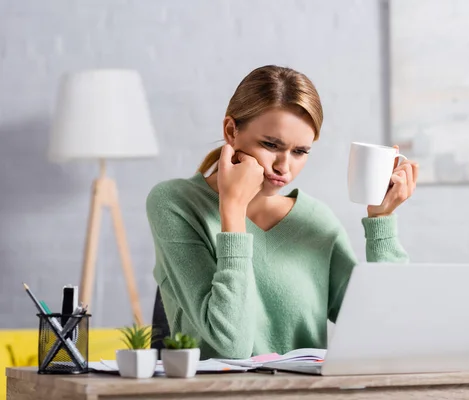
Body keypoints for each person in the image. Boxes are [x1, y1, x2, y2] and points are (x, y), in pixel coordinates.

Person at [146, 65, 419, 360]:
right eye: (271, 145)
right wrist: (232, 210)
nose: (284, 167)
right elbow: (231, 345)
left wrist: (381, 222)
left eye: (300, 151)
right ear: (231, 131)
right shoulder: (174, 204)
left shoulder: (316, 220)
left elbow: (388, 331)